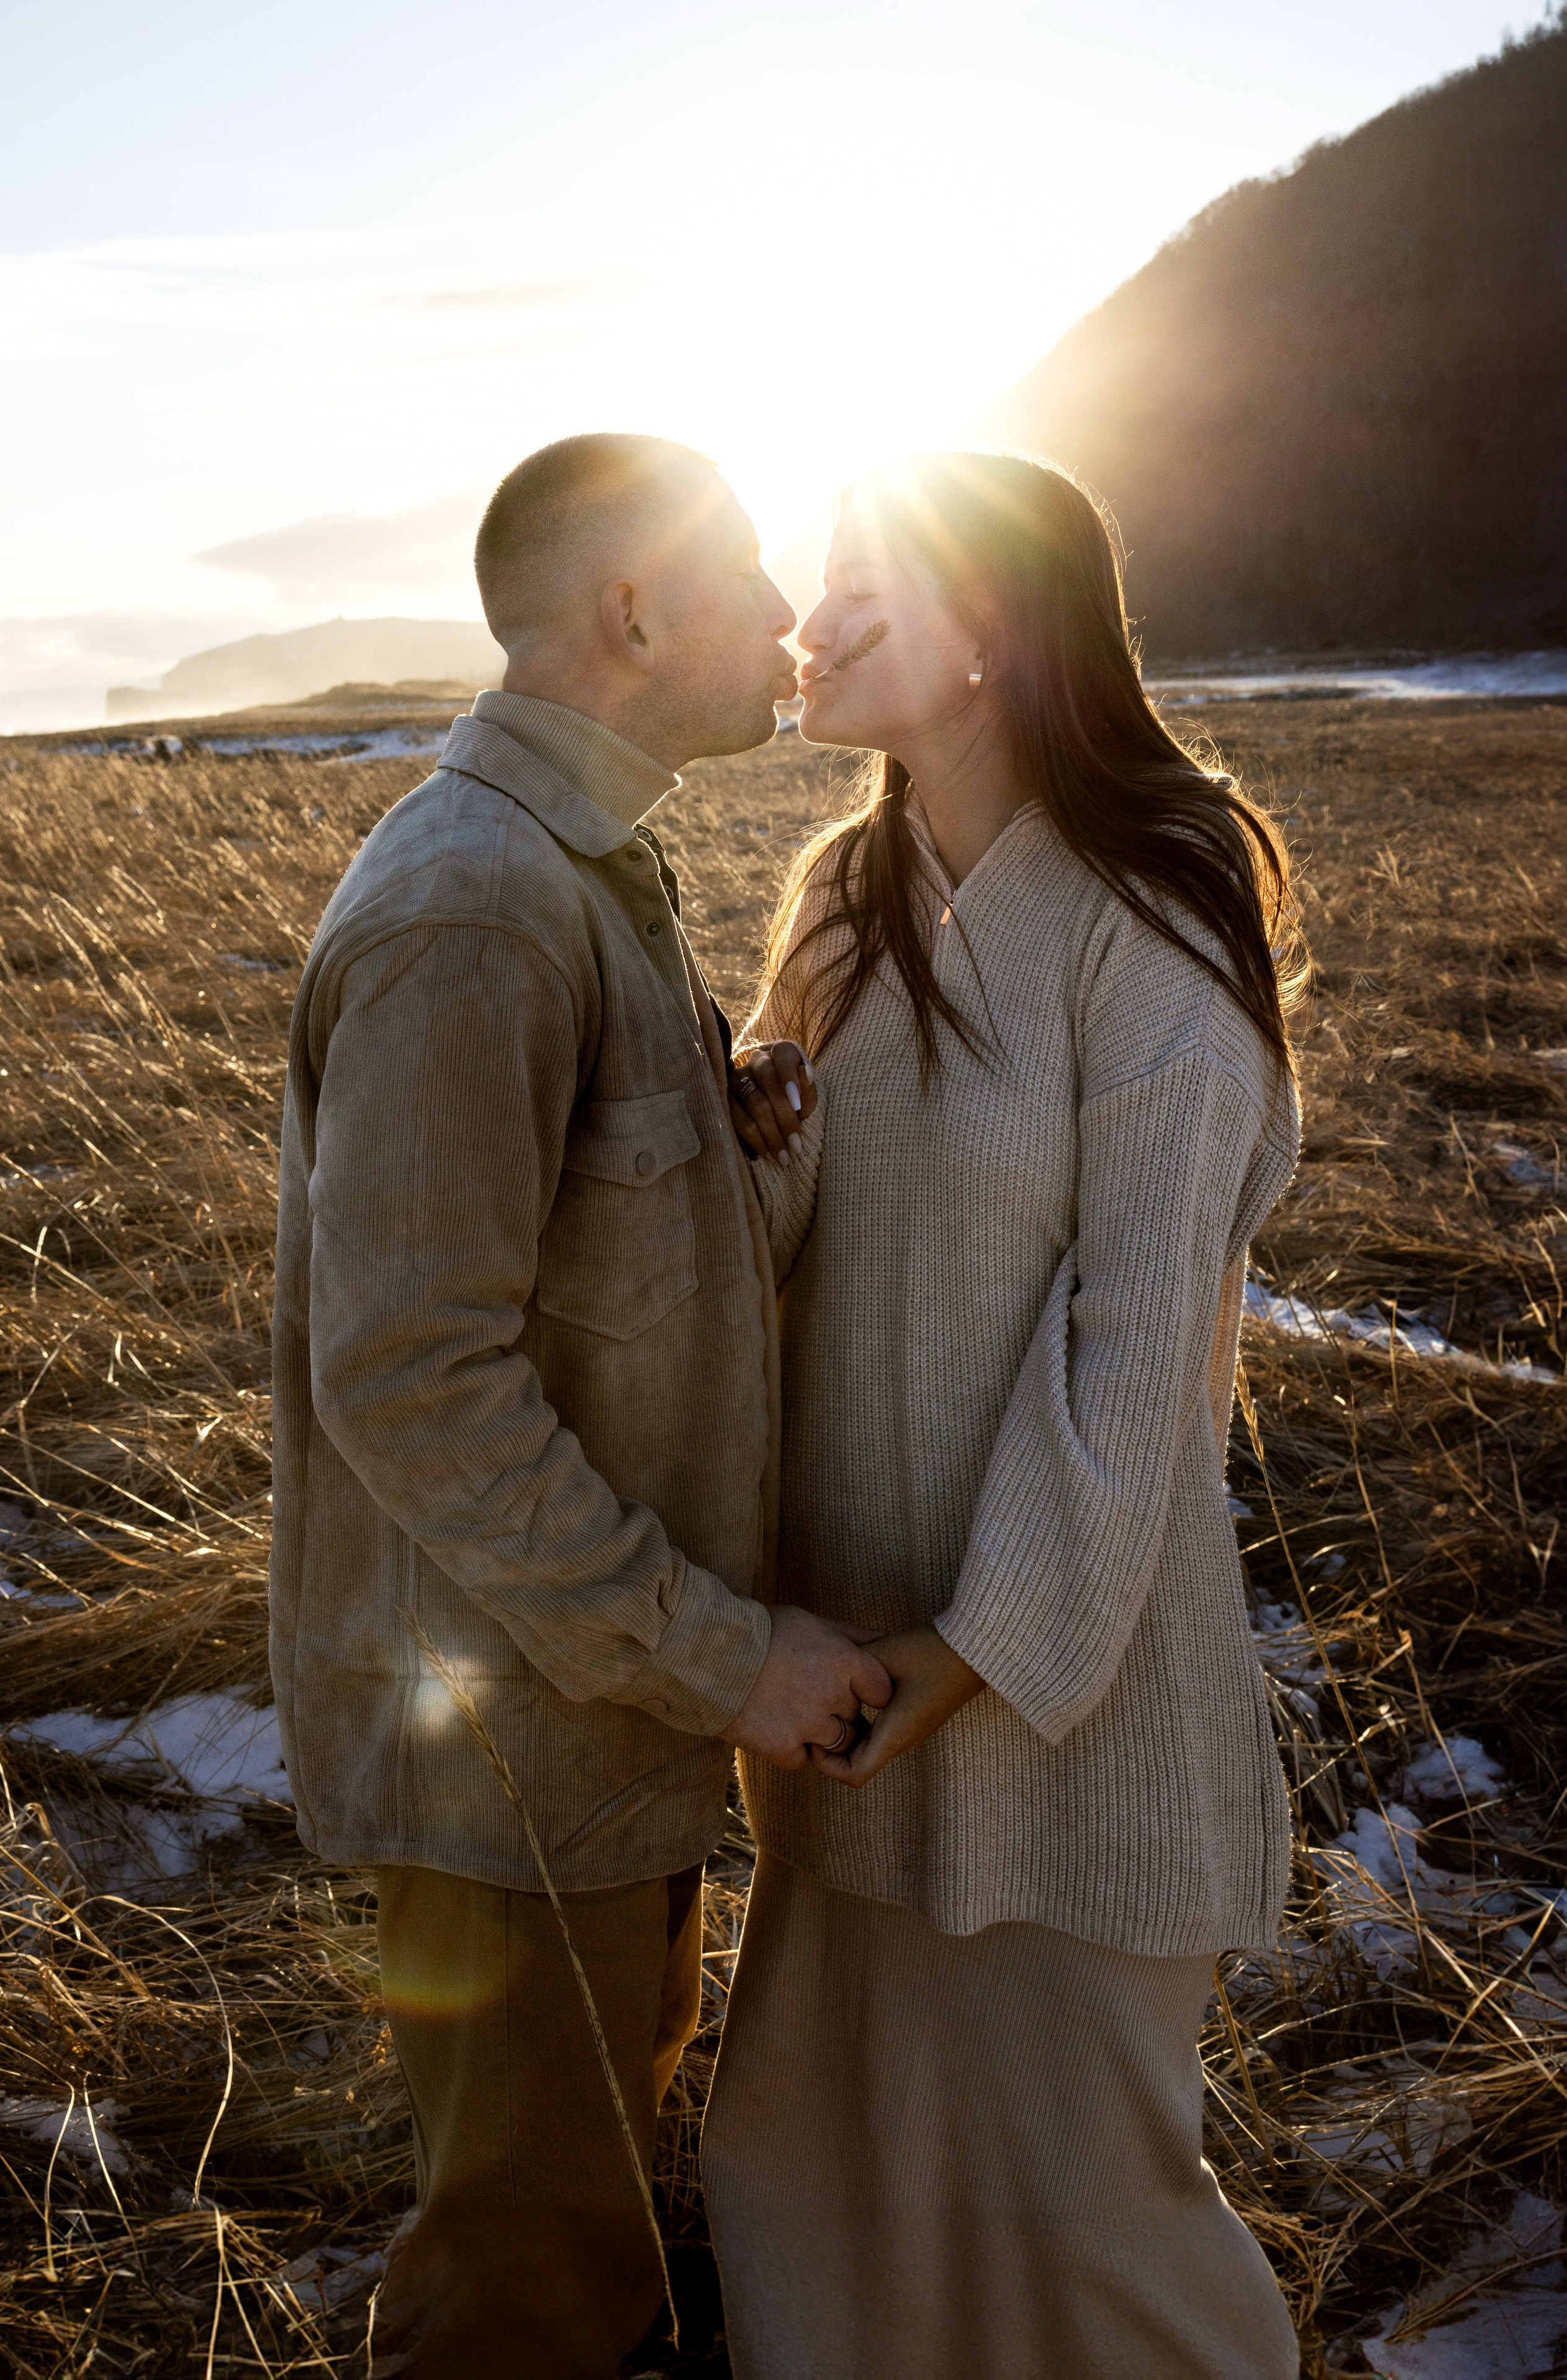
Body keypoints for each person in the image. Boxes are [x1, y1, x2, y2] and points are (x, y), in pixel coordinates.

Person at [268, 431, 889, 2380]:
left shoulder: (592, 875)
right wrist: (723, 1660)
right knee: (529, 2298)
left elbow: (596, 1289)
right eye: (752, 572)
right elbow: (412, 1376)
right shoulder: (479, 909)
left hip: (587, 1735)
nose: (790, 617)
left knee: (591, 2244)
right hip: (513, 1761)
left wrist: (746, 1152)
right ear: (635, 609)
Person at [706, 451, 1307, 2378]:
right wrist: (754, 1135)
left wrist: (952, 1663)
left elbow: (1138, 1355)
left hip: (1065, 1700)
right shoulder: (844, 896)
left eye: (861, 583)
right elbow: (786, 1250)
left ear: (992, 629)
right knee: (813, 2183)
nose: (805, 619)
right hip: (846, 1681)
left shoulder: (1157, 913)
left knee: (1092, 2239)